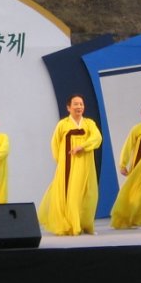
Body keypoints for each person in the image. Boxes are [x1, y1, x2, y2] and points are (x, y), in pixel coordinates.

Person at [37, 94, 103, 236]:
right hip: (68, 165)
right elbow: (55, 143)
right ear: (68, 107)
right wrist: (61, 162)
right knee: (70, 193)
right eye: (76, 104)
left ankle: (85, 223)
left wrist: (83, 146)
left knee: (88, 193)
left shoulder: (89, 123)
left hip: (85, 164)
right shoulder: (63, 125)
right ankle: (73, 225)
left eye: (81, 104)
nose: (79, 107)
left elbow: (97, 138)